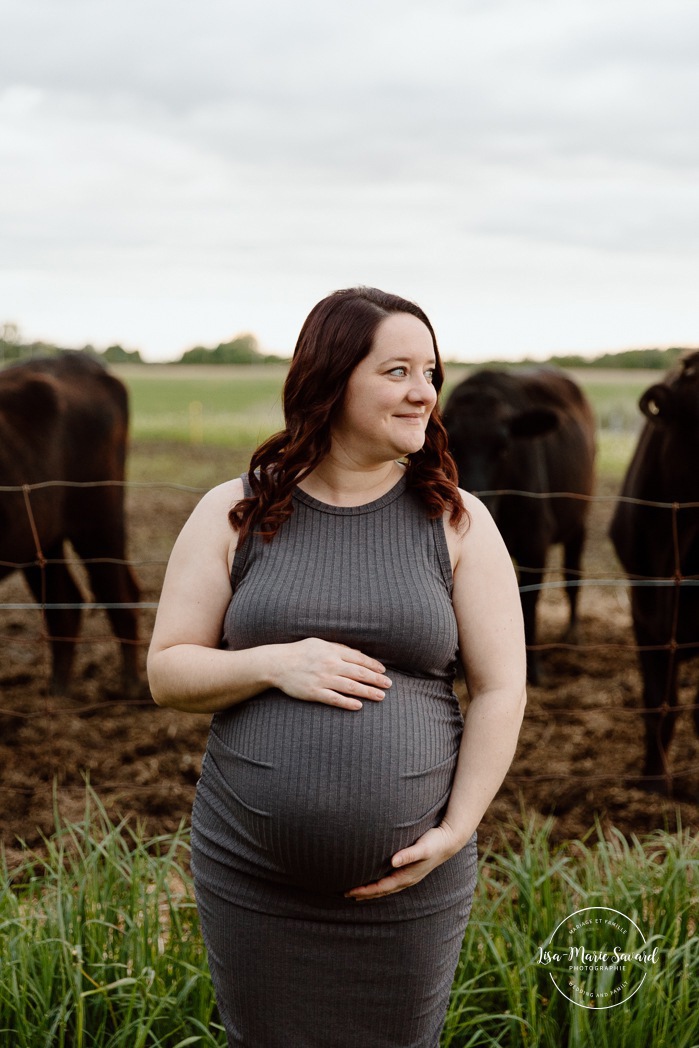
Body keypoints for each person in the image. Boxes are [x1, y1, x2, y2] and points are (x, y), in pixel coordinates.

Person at [147, 286, 526, 1048]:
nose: (423, 392)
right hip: (253, 880)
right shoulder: (235, 511)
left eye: (429, 371)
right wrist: (274, 662)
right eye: (396, 370)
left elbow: (499, 687)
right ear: (330, 378)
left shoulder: (457, 520)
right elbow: (167, 672)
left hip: (411, 885)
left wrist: (455, 831)